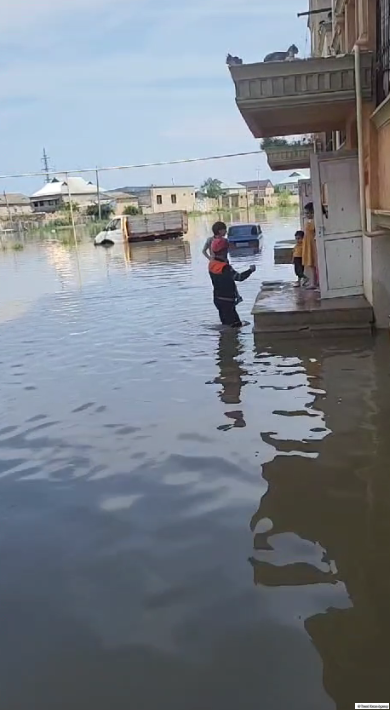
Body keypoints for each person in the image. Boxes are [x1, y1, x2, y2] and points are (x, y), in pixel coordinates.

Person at [209, 236, 256, 327]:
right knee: (235, 326)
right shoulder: (225, 267)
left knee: (226, 325)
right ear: (224, 251)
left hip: (218, 299)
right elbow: (239, 277)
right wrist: (250, 270)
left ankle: (224, 339)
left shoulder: (212, 264)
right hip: (227, 301)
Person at [203, 221, 242, 303]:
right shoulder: (215, 240)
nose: (226, 231)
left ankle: (235, 297)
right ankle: (234, 297)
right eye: (225, 230)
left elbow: (231, 248)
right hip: (219, 264)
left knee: (227, 282)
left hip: (219, 263)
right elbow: (203, 251)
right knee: (229, 281)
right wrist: (210, 258)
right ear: (220, 231)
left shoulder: (221, 240)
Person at [302, 202, 317, 290]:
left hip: (311, 243)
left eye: (310, 213)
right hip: (307, 243)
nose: (308, 215)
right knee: (310, 263)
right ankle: (312, 281)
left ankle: (313, 283)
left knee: (312, 263)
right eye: (306, 213)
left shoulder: (314, 221)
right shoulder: (308, 221)